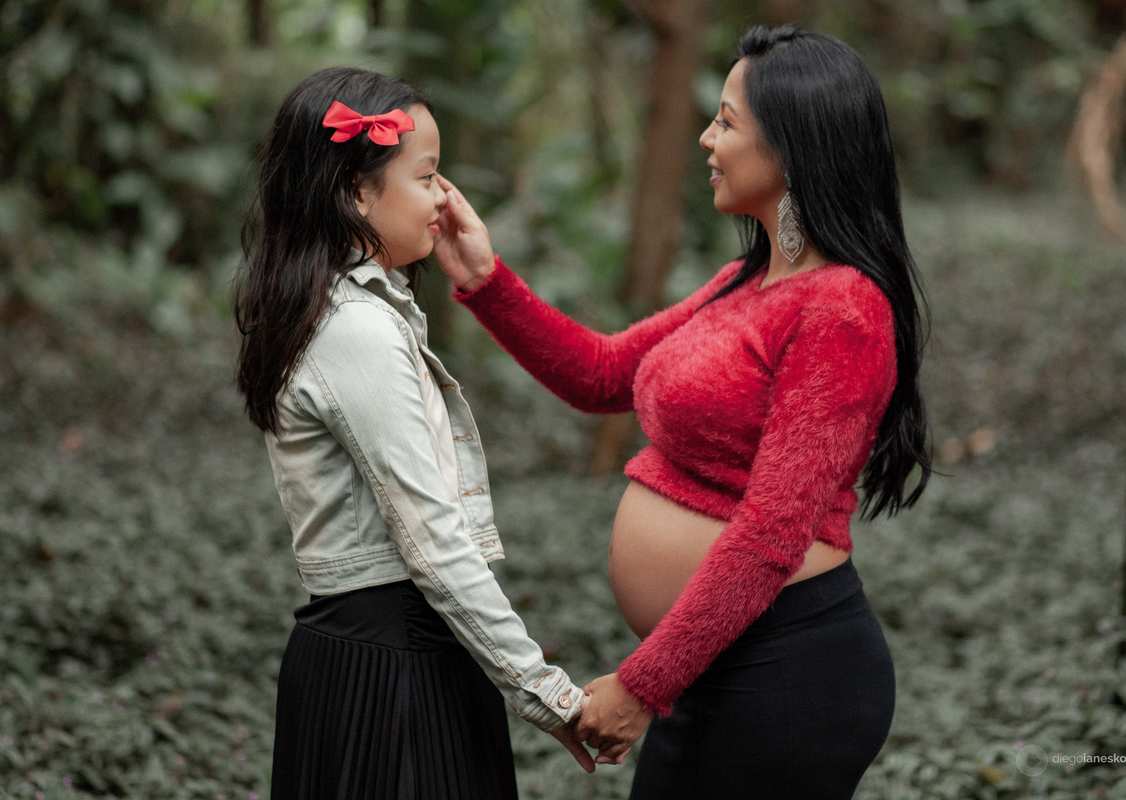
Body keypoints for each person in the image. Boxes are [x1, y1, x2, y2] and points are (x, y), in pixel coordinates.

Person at [431, 25, 931, 799]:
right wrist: (485, 279)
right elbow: (604, 374)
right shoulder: (744, 282)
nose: (706, 137)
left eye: (726, 121)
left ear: (793, 148)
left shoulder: (843, 312)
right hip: (714, 663)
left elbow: (772, 532)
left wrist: (641, 685)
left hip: (788, 675)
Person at [233, 67, 595, 800]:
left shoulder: (345, 312)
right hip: (392, 672)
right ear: (356, 192)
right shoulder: (357, 331)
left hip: (393, 657)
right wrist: (548, 694)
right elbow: (433, 542)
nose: (445, 198)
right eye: (427, 176)